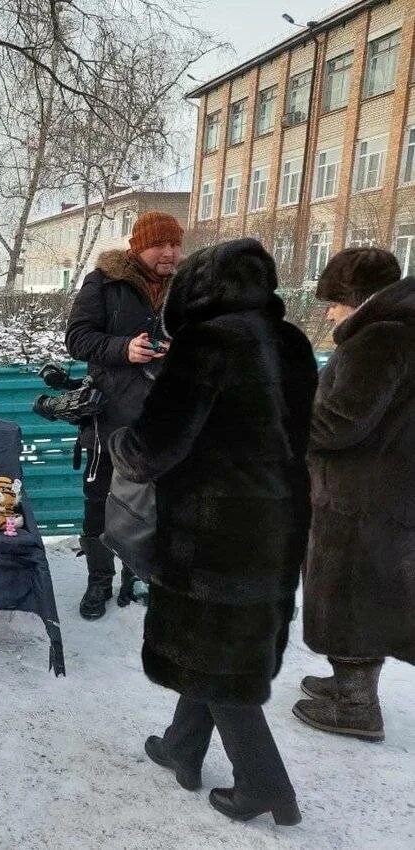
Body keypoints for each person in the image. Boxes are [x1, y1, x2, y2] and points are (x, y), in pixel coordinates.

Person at [109, 238, 317, 826]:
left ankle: (265, 785)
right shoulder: (292, 343)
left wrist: (116, 441)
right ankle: (182, 746)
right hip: (279, 522)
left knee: (219, 655)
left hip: (212, 529)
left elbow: (152, 449)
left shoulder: (206, 346)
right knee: (220, 642)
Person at [293, 248, 415, 743]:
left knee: (347, 592)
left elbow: (342, 422)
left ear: (358, 299)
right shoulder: (400, 331)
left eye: (335, 303)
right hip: (383, 487)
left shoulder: (380, 338)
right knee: (366, 590)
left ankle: (357, 706)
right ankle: (351, 684)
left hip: (358, 493)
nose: (329, 313)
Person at [65, 210, 183, 619]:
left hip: (166, 416)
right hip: (110, 414)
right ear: (138, 246)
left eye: (175, 244)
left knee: (159, 501)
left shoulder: (188, 288)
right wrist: (123, 350)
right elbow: (77, 338)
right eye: (160, 245)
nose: (170, 253)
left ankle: (141, 577)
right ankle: (99, 580)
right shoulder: (104, 282)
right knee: (98, 499)